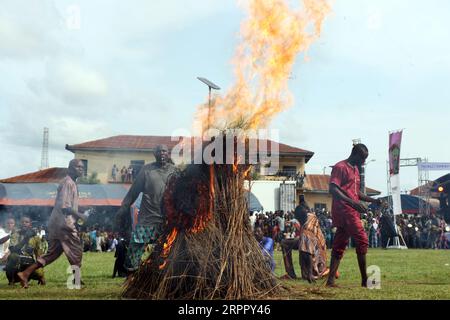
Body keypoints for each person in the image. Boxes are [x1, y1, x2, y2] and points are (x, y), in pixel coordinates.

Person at [17, 159, 91, 288]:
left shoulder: (70, 182)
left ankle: (25, 274)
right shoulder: (68, 183)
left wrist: (81, 210)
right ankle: (76, 280)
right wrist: (81, 216)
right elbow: (65, 207)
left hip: (57, 223)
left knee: (52, 254)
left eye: (82, 167)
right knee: (76, 250)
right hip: (64, 224)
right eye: (79, 167)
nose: (82, 169)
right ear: (71, 168)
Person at [326, 144, 384, 288]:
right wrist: (352, 203)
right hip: (344, 210)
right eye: (362, 158)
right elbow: (333, 189)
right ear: (355, 154)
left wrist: (373, 200)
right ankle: (365, 281)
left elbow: (356, 193)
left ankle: (331, 281)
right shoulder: (340, 167)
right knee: (363, 241)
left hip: (350, 209)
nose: (363, 162)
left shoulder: (356, 170)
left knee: (340, 244)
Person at [114, 144, 177, 275]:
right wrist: (123, 208)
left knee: (168, 246)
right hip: (148, 217)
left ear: (168, 153)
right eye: (159, 151)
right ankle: (130, 271)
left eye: (164, 151)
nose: (162, 154)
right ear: (154, 154)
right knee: (136, 245)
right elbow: (133, 192)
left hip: (168, 219)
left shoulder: (174, 171)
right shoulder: (146, 170)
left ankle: (162, 272)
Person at [5, 216, 47, 286]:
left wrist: (42, 239)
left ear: (30, 224)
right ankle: (11, 280)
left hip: (30, 264)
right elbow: (13, 250)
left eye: (26, 222)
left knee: (39, 273)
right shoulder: (15, 233)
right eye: (22, 222)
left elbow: (40, 254)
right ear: (20, 224)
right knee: (12, 256)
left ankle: (40, 277)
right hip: (18, 263)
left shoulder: (35, 237)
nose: (24, 223)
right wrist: (25, 239)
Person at [294, 204, 329, 283]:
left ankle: (309, 273)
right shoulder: (311, 215)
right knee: (302, 245)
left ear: (300, 218)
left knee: (303, 250)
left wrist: (310, 274)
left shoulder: (306, 230)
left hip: (317, 258)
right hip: (321, 246)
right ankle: (306, 272)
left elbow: (308, 253)